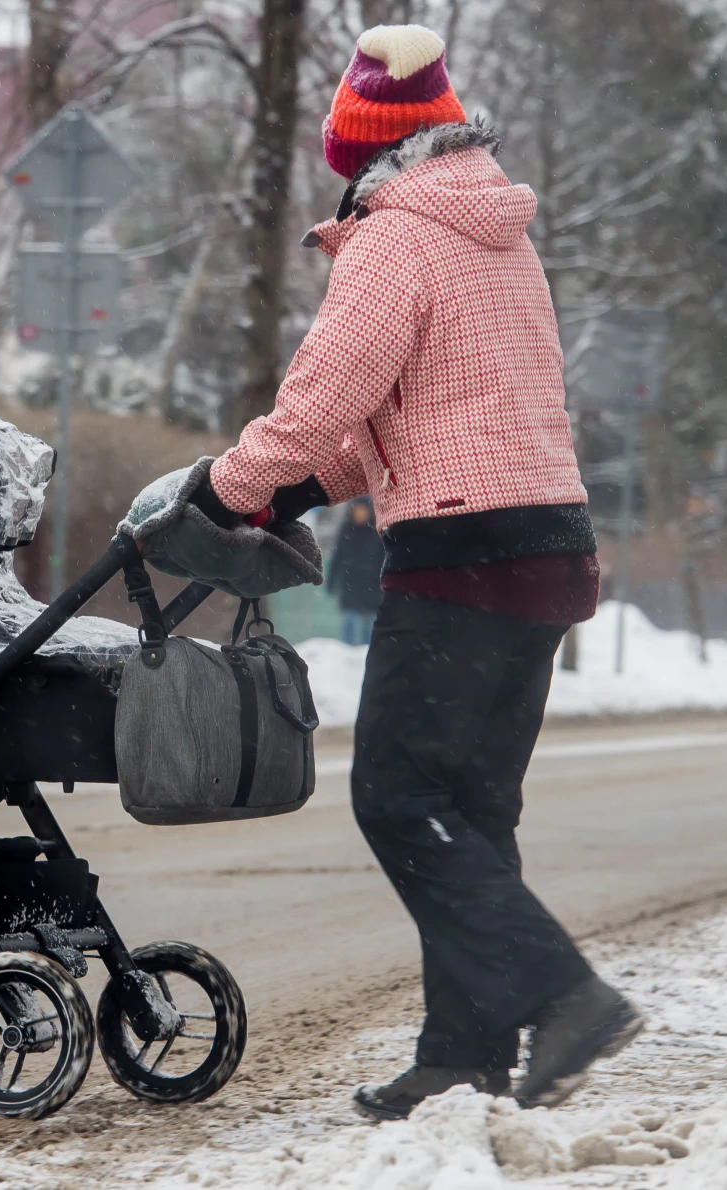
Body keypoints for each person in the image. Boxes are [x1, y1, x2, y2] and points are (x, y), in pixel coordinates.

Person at [185, 22, 642, 1120]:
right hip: (543, 550)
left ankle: (565, 992)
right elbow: (405, 414)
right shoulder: (496, 233)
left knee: (396, 796)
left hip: (460, 558)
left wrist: (225, 486)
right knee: (471, 808)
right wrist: (289, 487)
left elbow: (322, 398)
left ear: (365, 153)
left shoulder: (395, 241)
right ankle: (463, 1052)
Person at [328, 498, 385, 644]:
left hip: (372, 585)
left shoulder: (376, 532)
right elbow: (337, 557)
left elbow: (384, 558)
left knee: (369, 625)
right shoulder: (346, 531)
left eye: (362, 510)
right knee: (349, 623)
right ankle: (347, 655)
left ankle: (364, 656)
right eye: (357, 510)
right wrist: (331, 581)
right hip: (350, 584)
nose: (360, 514)